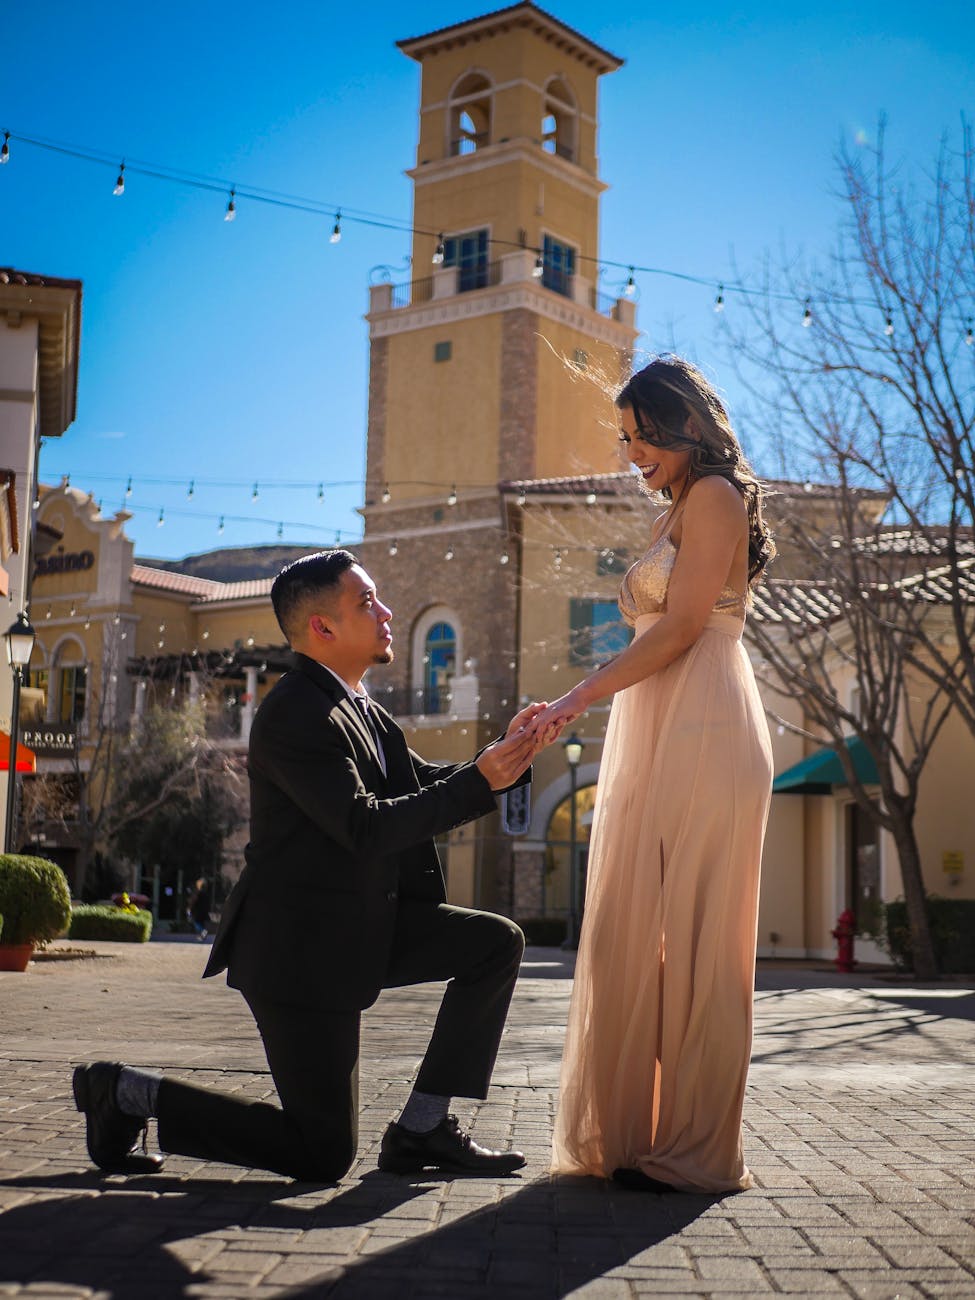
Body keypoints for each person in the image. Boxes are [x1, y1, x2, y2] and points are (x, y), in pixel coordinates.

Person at [73, 549, 543, 1181]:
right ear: (322, 628)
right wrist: (481, 778)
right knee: (320, 1155)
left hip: (363, 927)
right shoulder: (294, 714)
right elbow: (365, 825)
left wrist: (502, 759)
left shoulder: (362, 707)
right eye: (366, 604)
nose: (386, 613)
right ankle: (125, 1093)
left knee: (493, 944)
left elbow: (418, 786)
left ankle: (423, 1127)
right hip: (299, 952)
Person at [537, 356, 775, 1194]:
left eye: (644, 436)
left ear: (687, 426)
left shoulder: (714, 497)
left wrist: (571, 699)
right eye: (624, 436)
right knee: (638, 928)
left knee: (702, 937)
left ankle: (696, 1149)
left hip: (705, 721)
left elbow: (678, 630)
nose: (631, 451)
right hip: (658, 722)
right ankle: (639, 1135)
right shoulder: (677, 508)